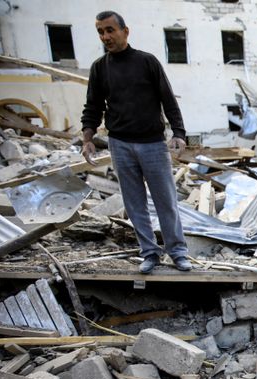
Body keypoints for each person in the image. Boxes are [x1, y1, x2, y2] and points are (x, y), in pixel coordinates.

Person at [81, 10, 192, 274]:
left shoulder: (147, 62)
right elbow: (92, 107)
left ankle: (177, 252)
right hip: (119, 144)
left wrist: (178, 133)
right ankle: (150, 253)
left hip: (153, 143)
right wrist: (87, 138)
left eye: (110, 30)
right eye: (100, 31)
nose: (105, 36)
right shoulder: (99, 68)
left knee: (166, 200)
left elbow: (168, 99)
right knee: (134, 204)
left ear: (125, 31)